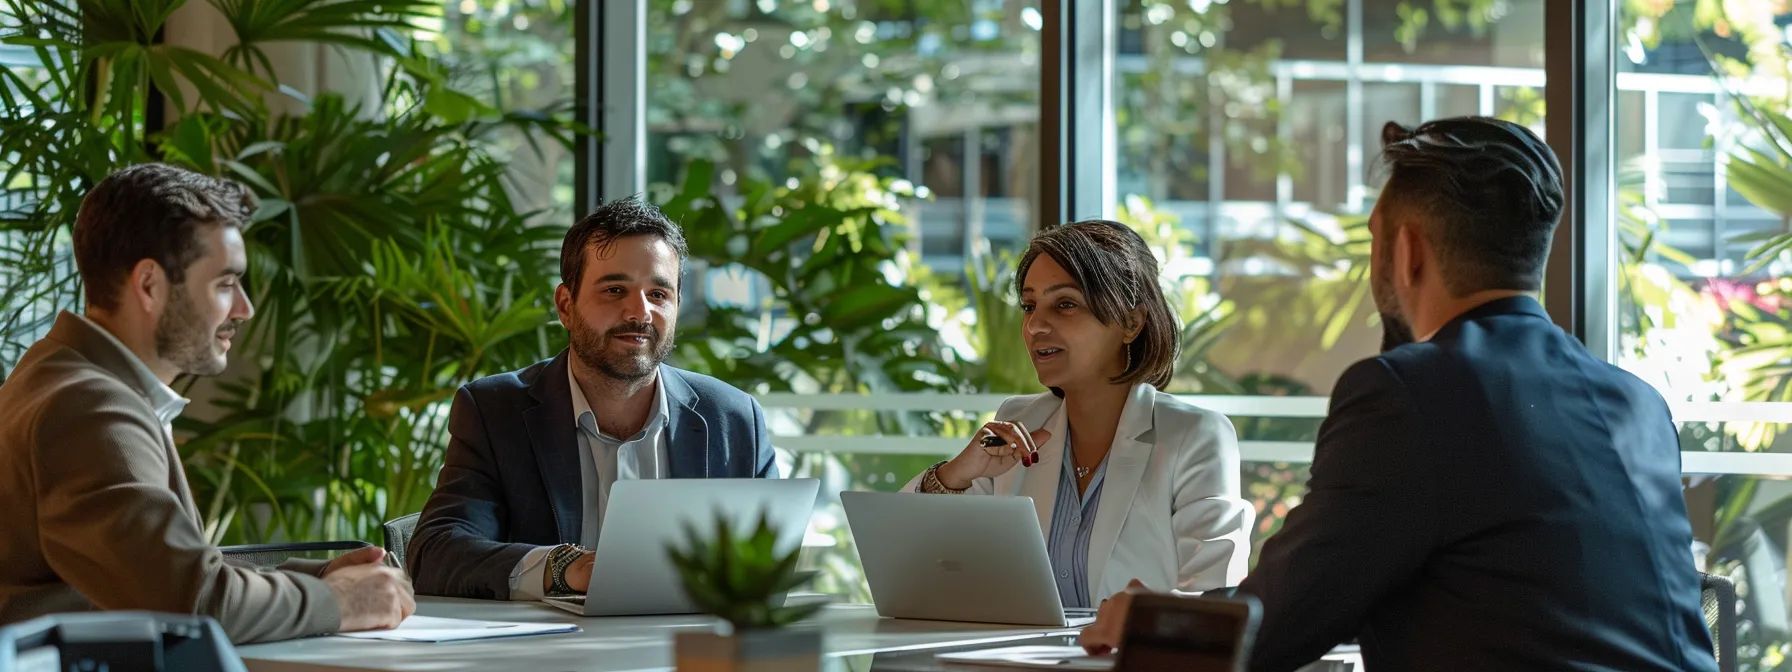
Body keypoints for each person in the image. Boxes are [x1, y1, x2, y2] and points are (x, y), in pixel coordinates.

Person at [1079, 117, 1717, 671]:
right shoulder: (1637, 403)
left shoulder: (1408, 393)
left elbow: (1279, 621)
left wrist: (1147, 621)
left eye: (1374, 241)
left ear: (1406, 251)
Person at [0, 164, 415, 643]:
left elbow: (154, 569)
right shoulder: (87, 407)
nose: (245, 308)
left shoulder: (64, 378)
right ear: (150, 285)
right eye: (224, 283)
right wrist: (342, 601)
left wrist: (316, 578)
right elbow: (190, 601)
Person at [407, 197, 779, 601]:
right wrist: (565, 569)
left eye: (658, 294)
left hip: (691, 652)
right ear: (566, 306)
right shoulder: (495, 411)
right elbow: (436, 552)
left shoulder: (734, 417)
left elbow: (769, 561)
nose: (640, 312)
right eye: (614, 289)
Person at [904, 220, 1253, 606]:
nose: (1035, 326)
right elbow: (912, 565)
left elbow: (1214, 595)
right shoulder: (1018, 424)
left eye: (1065, 304)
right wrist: (956, 475)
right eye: (1029, 305)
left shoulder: (1194, 435)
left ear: (1131, 323)